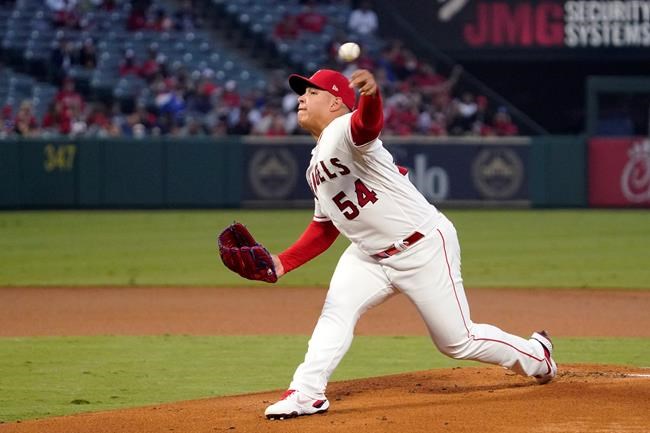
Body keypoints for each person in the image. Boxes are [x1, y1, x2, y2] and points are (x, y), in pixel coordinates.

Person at [262, 68, 558, 420]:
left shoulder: (344, 130)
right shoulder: (315, 165)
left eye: (311, 92)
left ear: (336, 101)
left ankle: (537, 357)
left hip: (422, 246)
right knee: (335, 312)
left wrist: (371, 95)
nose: (301, 98)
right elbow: (324, 229)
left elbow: (366, 125)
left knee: (457, 341)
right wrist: (282, 262)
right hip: (368, 256)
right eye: (302, 92)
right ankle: (306, 392)